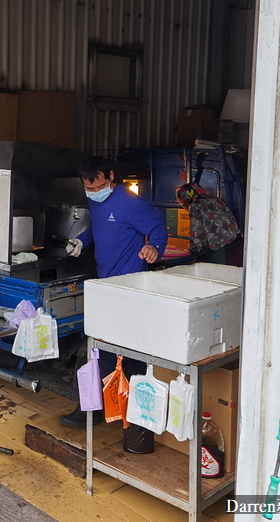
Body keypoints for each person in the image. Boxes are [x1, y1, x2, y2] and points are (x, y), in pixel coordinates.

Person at [60, 158, 168, 428]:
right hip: (105, 285)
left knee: (130, 353)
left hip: (129, 288)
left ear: (111, 177)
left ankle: (136, 416)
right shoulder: (95, 201)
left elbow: (157, 228)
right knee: (100, 349)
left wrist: (154, 247)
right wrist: (80, 241)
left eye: (100, 186)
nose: (95, 192)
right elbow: (99, 230)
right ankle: (95, 408)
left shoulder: (129, 202)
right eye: (89, 188)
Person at [175, 183, 242, 266]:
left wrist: (192, 251)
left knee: (218, 275)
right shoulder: (217, 200)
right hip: (237, 243)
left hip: (219, 248)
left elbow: (197, 235)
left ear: (186, 201)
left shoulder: (195, 206)